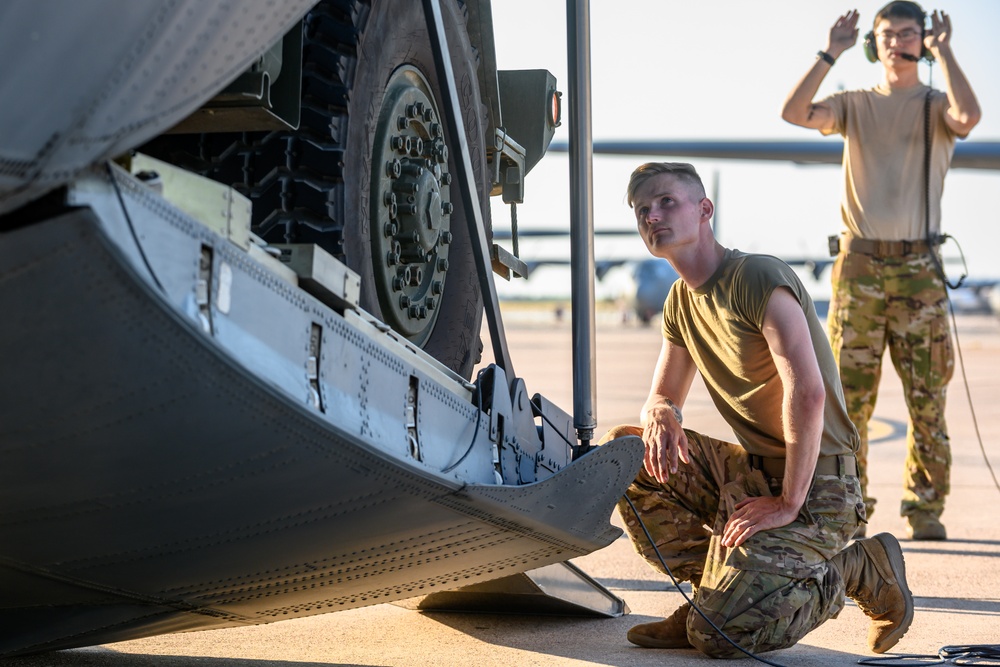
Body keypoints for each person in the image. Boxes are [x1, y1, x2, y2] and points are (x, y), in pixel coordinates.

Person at [599, 162, 913, 658]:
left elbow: (807, 392)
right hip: (749, 477)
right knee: (627, 452)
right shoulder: (681, 300)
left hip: (818, 486)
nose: (652, 216)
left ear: (705, 210)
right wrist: (659, 410)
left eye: (666, 202)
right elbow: (665, 395)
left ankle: (859, 567)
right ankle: (712, 596)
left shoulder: (757, 277)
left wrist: (788, 502)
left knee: (720, 640)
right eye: (642, 210)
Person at [780, 2, 981, 541]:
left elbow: (970, 117)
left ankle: (925, 508)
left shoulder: (936, 105)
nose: (897, 43)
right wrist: (831, 52)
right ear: (874, 44)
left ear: (923, 41)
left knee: (927, 396)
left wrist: (946, 51)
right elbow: (794, 113)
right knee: (849, 399)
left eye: (908, 34)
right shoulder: (854, 104)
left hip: (919, 268)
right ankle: (852, 506)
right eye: (887, 35)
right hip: (860, 267)